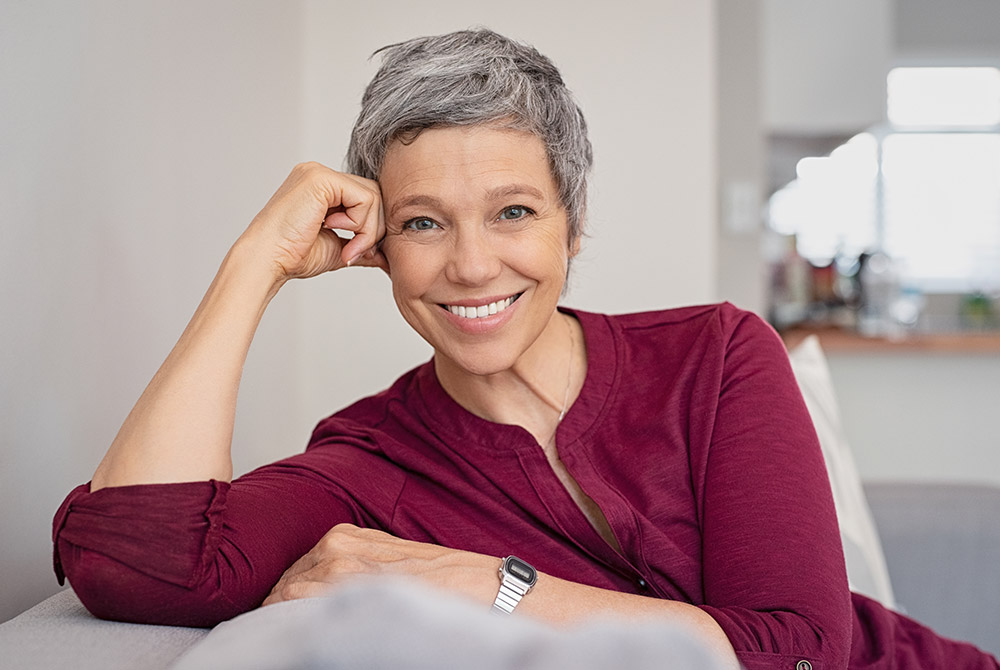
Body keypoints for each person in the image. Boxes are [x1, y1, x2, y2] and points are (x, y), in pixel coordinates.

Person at [52, 29, 997, 670]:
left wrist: (493, 587)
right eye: (424, 222)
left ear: (570, 227)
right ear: (375, 245)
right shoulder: (365, 461)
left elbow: (799, 650)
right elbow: (140, 561)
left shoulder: (717, 357)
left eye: (513, 212)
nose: (471, 265)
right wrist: (254, 262)